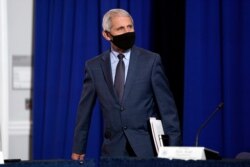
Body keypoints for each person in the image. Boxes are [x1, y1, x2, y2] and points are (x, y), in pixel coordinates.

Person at [71, 8, 181, 160]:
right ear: (106, 35)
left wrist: (173, 151)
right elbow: (84, 112)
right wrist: (78, 149)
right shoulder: (94, 66)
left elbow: (168, 111)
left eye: (130, 27)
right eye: (121, 28)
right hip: (112, 151)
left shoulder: (151, 61)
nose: (127, 32)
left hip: (146, 151)